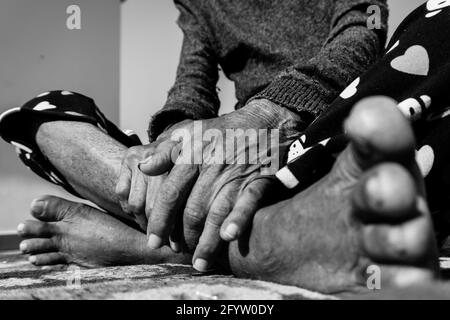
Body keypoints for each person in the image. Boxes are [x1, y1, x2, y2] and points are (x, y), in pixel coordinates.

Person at [1, 0, 449, 295]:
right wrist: (171, 149)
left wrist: (270, 116)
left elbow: (360, 36)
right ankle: (268, 228)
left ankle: (168, 243)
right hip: (230, 156)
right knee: (42, 113)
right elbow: (191, 88)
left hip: (335, 131)